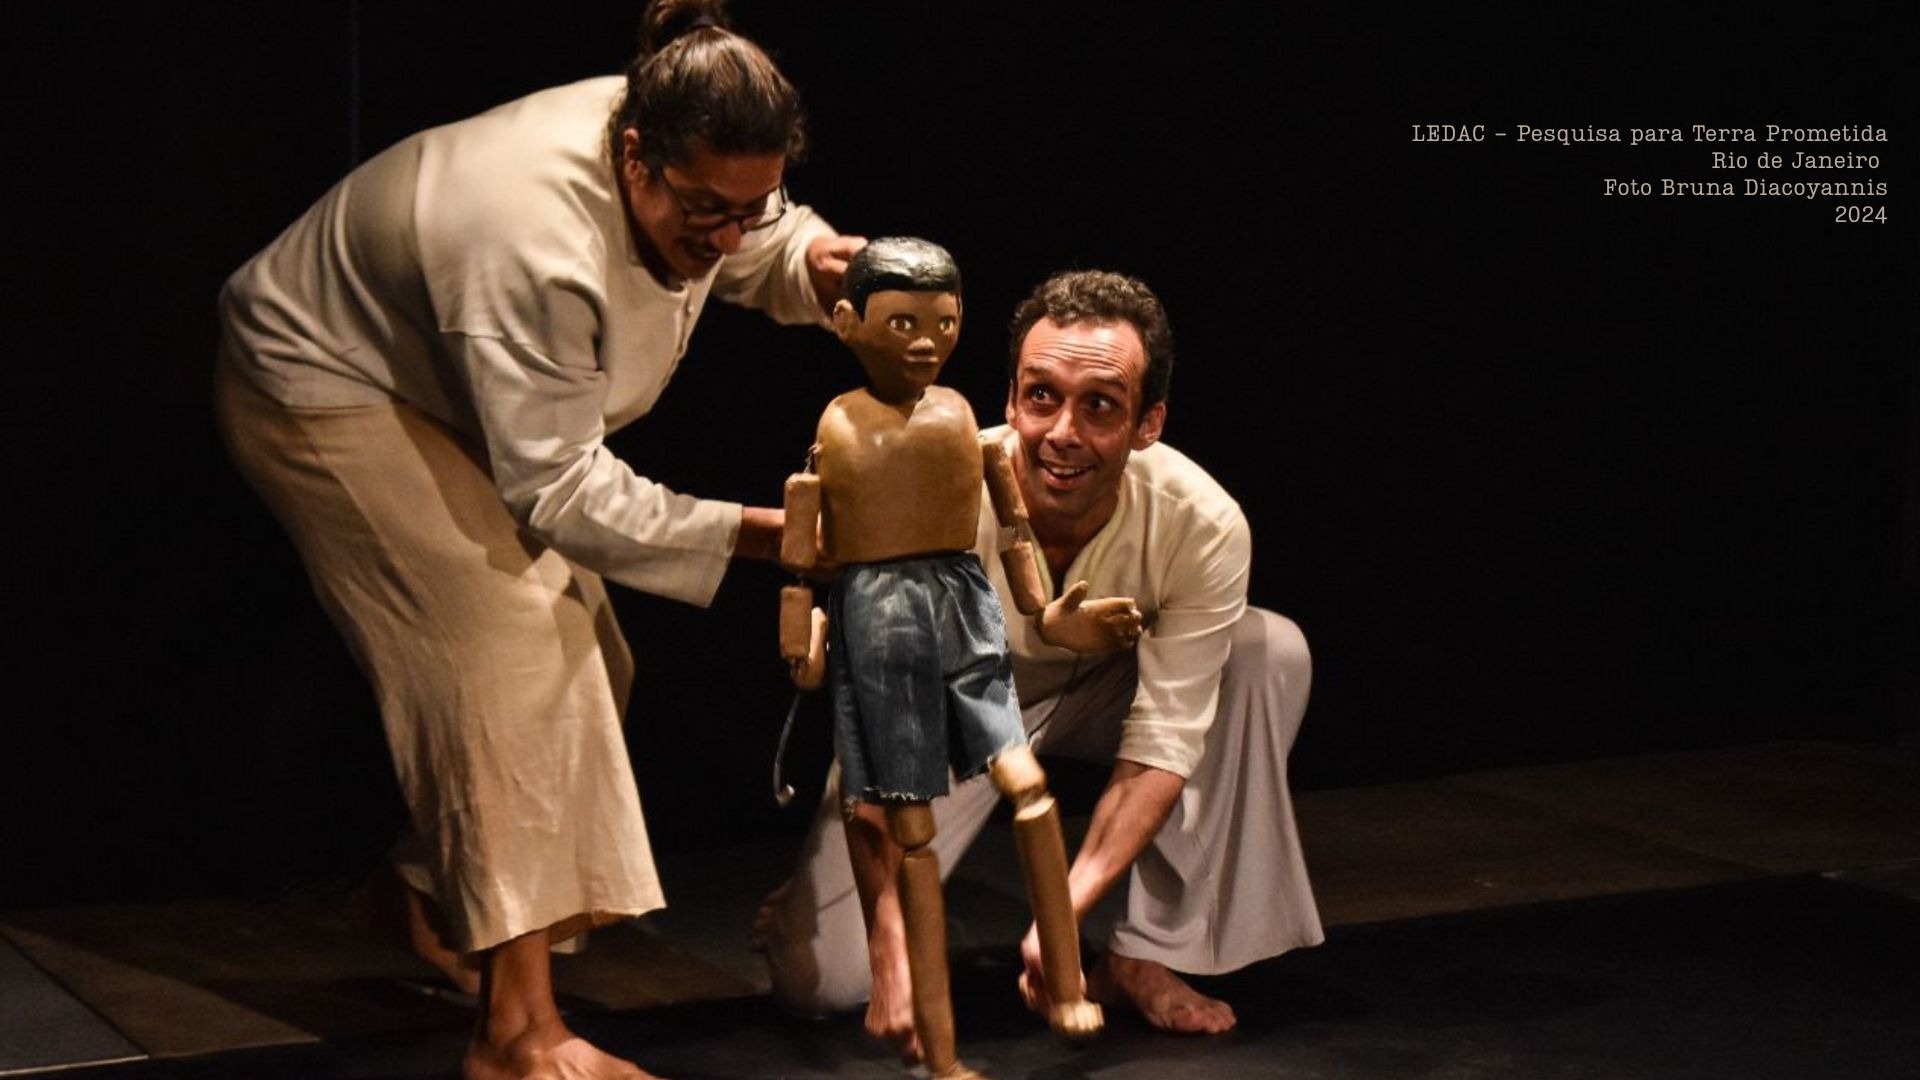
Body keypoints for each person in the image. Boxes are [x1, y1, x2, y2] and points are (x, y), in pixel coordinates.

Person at [212, 2, 863, 1077]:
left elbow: (760, 241)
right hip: (317, 378)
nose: (727, 238)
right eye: (706, 209)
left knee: (591, 653)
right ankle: (516, 1036)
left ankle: (420, 899)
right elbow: (562, 489)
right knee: (515, 647)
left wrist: (818, 262)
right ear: (635, 156)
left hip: (432, 373)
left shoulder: (694, 154)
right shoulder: (529, 238)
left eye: (755, 205)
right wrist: (770, 536)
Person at [760, 269, 1322, 1060]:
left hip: (1104, 695)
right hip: (956, 709)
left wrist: (1062, 920)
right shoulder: (940, 483)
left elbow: (1166, 737)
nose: (1062, 432)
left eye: (1100, 407)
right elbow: (883, 709)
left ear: (1149, 423)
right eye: (1041, 397)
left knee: (1266, 650)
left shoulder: (1201, 520)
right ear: (1011, 399)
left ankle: (1142, 953)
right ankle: (816, 898)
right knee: (818, 985)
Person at [778, 239, 1137, 1077]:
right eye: (902, 322)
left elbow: (1013, 530)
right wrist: (802, 638)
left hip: (963, 608)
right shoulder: (836, 433)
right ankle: (941, 1057)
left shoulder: (963, 423)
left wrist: (1047, 612)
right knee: (912, 835)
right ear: (847, 322)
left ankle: (1065, 983)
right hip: (878, 624)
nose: (925, 342)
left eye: (943, 323)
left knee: (1031, 789)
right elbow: (802, 556)